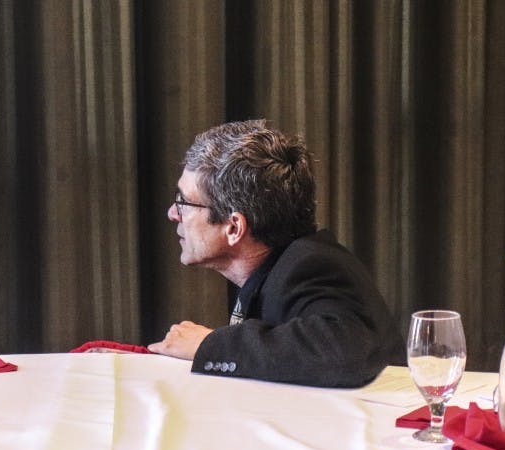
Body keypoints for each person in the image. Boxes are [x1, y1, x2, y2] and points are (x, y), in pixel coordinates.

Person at [147, 119, 403, 388]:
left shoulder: (311, 266)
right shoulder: (275, 268)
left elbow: (345, 354)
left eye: (183, 202)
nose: (173, 214)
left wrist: (209, 345)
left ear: (234, 227)